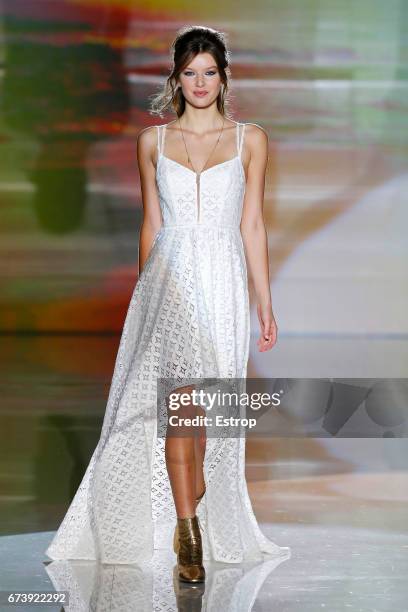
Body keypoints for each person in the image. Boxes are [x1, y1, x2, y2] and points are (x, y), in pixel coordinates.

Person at [45, 25, 291, 585]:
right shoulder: (151, 142)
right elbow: (151, 224)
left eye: (210, 72)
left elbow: (252, 225)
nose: (200, 83)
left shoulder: (249, 139)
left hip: (223, 283)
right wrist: (144, 300)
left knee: (205, 417)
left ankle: (196, 501)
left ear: (223, 77)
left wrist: (265, 303)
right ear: (175, 78)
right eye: (190, 73)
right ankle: (188, 534)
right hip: (169, 283)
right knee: (181, 411)